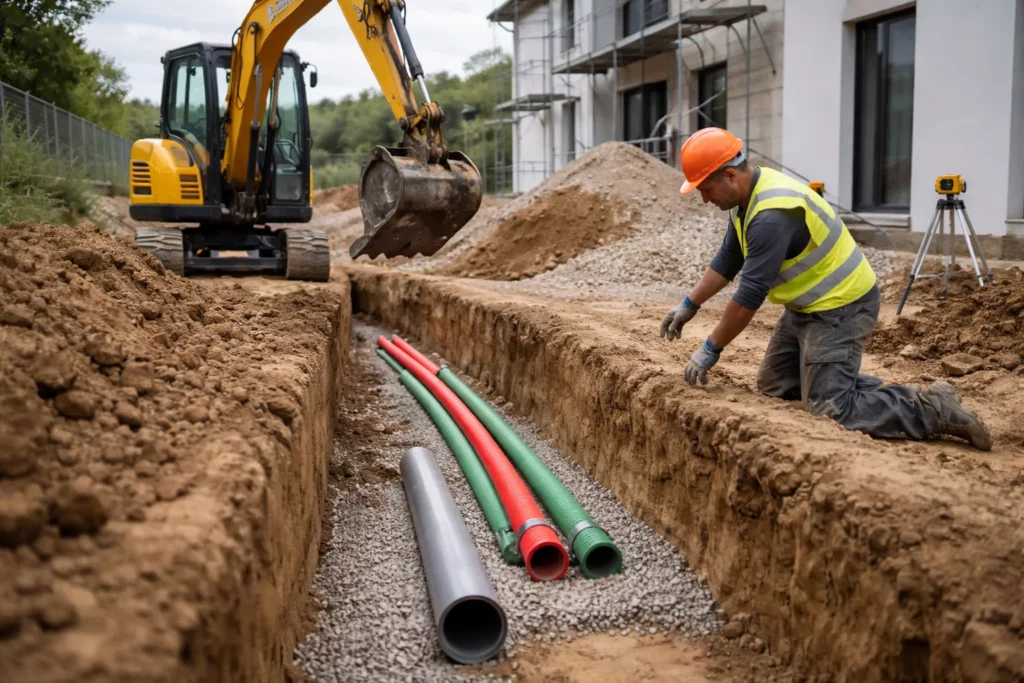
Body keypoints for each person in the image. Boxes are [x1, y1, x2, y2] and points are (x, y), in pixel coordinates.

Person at [659, 127, 992, 451]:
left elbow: (749, 297)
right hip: (806, 306)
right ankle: (839, 381)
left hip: (841, 305)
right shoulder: (746, 200)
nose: (704, 198)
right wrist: (690, 303)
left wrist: (710, 349)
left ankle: (933, 408)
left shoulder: (772, 215)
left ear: (730, 175)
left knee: (831, 410)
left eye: (705, 188)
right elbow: (729, 258)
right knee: (777, 385)